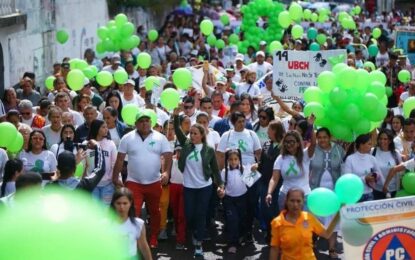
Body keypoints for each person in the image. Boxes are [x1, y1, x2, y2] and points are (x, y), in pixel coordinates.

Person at [112, 110, 173, 249]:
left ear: (151, 122)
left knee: (155, 211)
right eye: (141, 121)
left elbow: (168, 155)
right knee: (134, 211)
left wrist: (166, 173)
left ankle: (153, 238)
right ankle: (134, 239)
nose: (145, 123)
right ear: (136, 124)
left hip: (154, 182)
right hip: (134, 182)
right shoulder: (127, 138)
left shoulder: (160, 137)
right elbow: (120, 158)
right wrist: (115, 177)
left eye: (147, 120)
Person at [173, 106, 224, 257]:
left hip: (204, 187)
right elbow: (177, 129)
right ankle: (196, 232)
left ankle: (199, 245)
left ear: (202, 135)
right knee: (189, 215)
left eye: (195, 134)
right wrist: (176, 116)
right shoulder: (186, 144)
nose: (191, 135)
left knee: (201, 214)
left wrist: (220, 185)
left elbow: (215, 169)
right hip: (188, 187)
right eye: (190, 133)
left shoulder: (208, 150)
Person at [269, 188, 340, 260]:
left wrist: (338, 215)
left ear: (303, 202)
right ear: (286, 201)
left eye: (298, 201)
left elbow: (327, 234)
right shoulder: (277, 222)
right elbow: (275, 249)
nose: (295, 204)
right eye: (292, 201)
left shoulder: (309, 218)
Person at [309, 127, 344, 258]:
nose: (322, 140)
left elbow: (344, 169)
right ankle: (311, 244)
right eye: (320, 137)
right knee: (315, 219)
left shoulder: (339, 150)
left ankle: (332, 249)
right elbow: (307, 169)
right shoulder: (312, 150)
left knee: (332, 221)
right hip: (315, 191)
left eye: (325, 137)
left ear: (330, 137)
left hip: (334, 193)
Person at [266, 130, 316, 211]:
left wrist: (311, 126)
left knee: (303, 223)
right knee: (287, 223)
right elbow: (274, 178)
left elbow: (313, 144)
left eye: (292, 141)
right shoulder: (281, 158)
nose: (288, 144)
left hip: (304, 197)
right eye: (286, 142)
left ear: (298, 143)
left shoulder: (305, 155)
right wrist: (269, 193)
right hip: (286, 196)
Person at [257, 120, 285, 241]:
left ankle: (277, 234)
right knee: (264, 209)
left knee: (275, 209)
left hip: (278, 183)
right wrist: (256, 166)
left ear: (275, 130)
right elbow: (262, 163)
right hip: (264, 182)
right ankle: (269, 232)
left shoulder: (284, 147)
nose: (267, 131)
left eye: (269, 129)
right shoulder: (267, 144)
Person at [219, 149, 250, 254]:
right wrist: (220, 190)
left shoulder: (244, 169)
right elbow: (221, 184)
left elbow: (251, 182)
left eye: (236, 159)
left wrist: (253, 170)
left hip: (242, 198)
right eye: (231, 159)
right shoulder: (224, 171)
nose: (233, 162)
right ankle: (232, 243)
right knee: (233, 220)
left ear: (239, 160)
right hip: (229, 199)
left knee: (242, 219)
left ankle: (241, 235)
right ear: (227, 160)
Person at [110, 188, 153, 260]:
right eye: (118, 203)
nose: (121, 207)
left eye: (125, 203)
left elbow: (143, 247)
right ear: (114, 204)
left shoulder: (138, 224)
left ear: (130, 203)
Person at [343, 134, 384, 202]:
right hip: (355, 195)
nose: (371, 146)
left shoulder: (372, 158)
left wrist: (375, 176)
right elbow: (348, 179)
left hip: (369, 194)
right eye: (369, 144)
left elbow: (380, 174)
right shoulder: (350, 159)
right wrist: (364, 179)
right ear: (361, 145)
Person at [86, 120, 117, 205]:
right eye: (103, 127)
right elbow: (84, 165)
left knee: (105, 211)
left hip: (108, 184)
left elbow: (115, 163)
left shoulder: (111, 143)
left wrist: (117, 180)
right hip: (92, 184)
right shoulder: (87, 144)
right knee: (94, 211)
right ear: (96, 129)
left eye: (106, 127)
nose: (106, 129)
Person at [372, 129, 402, 199]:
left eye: (385, 139)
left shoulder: (396, 153)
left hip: (393, 190)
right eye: (380, 139)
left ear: (390, 141)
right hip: (376, 189)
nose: (382, 141)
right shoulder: (373, 151)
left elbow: (399, 169)